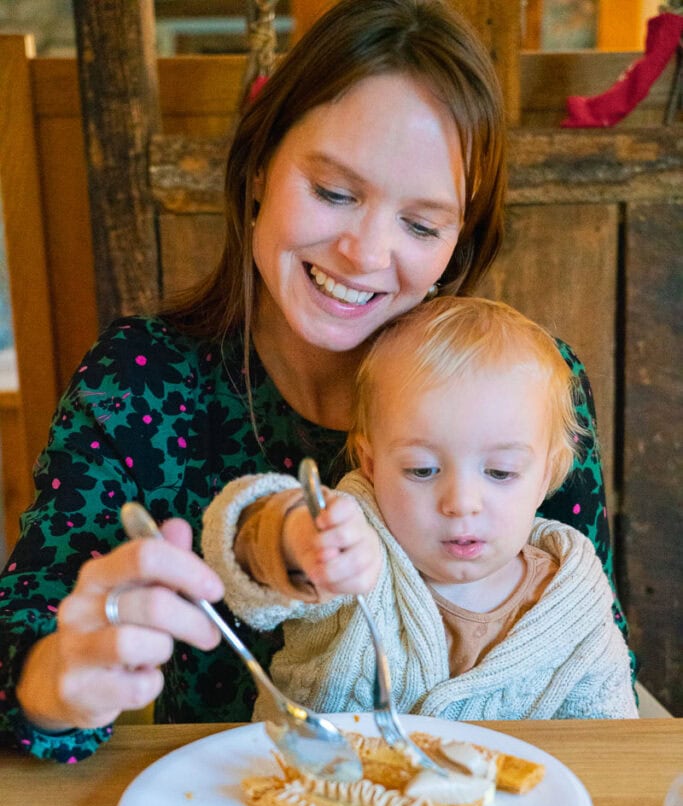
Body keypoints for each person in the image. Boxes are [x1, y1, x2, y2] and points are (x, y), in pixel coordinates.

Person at [0, 0, 631, 763]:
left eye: (422, 225)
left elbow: (583, 629)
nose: (365, 253)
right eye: (333, 193)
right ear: (261, 165)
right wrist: (56, 686)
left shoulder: (530, 390)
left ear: (459, 240)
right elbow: (27, 630)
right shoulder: (144, 381)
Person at [203, 297, 638, 721]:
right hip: (312, 786)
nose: (461, 504)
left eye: (501, 473)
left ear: (548, 476)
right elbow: (241, 560)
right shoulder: (348, 548)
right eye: (423, 470)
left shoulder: (572, 598)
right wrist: (294, 538)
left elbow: (608, 744)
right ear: (372, 465)